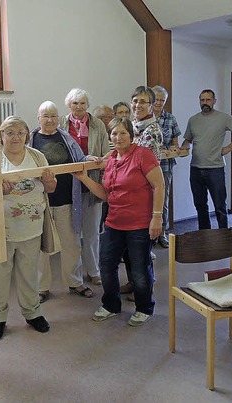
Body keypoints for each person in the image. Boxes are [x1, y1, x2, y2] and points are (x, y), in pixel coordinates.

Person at [0, 116, 56, 341]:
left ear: (27, 134)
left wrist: (48, 182)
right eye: (9, 132)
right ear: (0, 135)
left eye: (20, 132)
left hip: (31, 229)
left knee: (29, 275)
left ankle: (32, 313)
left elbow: (51, 188)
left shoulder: (37, 157)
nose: (15, 137)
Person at [73, 118, 164, 327]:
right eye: (114, 133)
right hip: (114, 222)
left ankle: (144, 308)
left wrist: (156, 217)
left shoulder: (143, 155)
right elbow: (106, 194)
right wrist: (84, 179)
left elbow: (159, 185)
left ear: (131, 135)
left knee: (140, 269)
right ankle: (111, 305)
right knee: (106, 265)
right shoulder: (112, 159)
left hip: (140, 223)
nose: (118, 137)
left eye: (123, 133)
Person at [29, 101, 98, 302]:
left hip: (67, 200)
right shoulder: (31, 140)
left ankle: (74, 282)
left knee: (72, 244)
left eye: (53, 116)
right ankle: (42, 288)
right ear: (38, 118)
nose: (50, 120)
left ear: (58, 118)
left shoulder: (66, 138)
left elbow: (79, 158)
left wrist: (87, 159)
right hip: (42, 203)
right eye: (45, 116)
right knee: (41, 247)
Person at [59, 89, 111, 287]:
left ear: (88, 105)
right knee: (71, 235)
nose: (78, 107)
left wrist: (96, 161)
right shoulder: (61, 124)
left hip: (92, 183)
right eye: (74, 103)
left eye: (82, 103)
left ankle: (93, 270)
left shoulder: (98, 125)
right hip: (68, 185)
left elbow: (107, 154)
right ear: (68, 105)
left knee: (91, 231)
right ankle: (75, 277)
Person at [180, 89, 232, 229]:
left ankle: (224, 236)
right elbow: (188, 139)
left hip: (215, 169)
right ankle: (205, 236)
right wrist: (183, 147)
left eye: (208, 100)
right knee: (200, 206)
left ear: (214, 101)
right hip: (196, 169)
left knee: (220, 206)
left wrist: (229, 147)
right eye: (202, 100)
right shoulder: (193, 120)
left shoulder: (223, 118)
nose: (205, 103)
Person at [120, 86, 164, 299]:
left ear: (152, 105)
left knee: (140, 250)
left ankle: (144, 289)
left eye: (143, 101)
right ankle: (132, 281)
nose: (138, 105)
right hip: (129, 196)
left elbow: (135, 162)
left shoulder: (151, 130)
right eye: (135, 100)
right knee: (129, 248)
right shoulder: (134, 126)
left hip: (143, 196)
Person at [151, 85, 182, 248]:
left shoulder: (170, 118)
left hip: (165, 166)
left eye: (163, 100)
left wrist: (172, 149)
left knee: (163, 200)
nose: (160, 103)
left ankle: (162, 233)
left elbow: (175, 144)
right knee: (146, 201)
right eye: (157, 99)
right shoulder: (144, 118)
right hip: (146, 168)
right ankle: (148, 235)